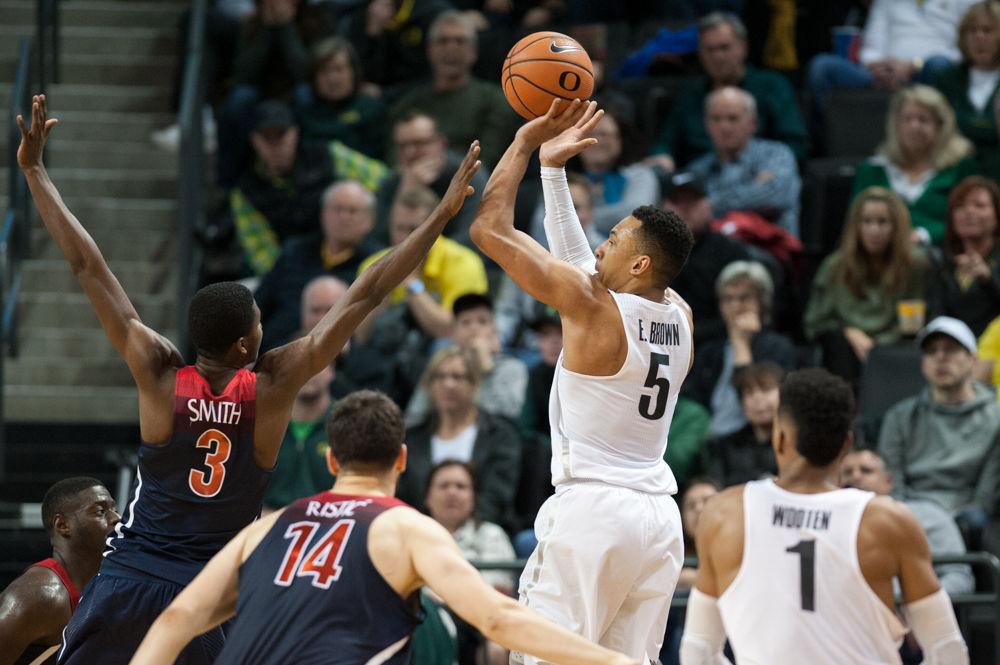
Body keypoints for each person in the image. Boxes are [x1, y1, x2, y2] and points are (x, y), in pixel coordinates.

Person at [16, 93, 482, 665]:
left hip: (131, 572)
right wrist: (439, 218)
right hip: (210, 589)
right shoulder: (274, 385)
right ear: (244, 344)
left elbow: (88, 266)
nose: (266, 326)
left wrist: (36, 172)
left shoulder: (159, 371)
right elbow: (368, 291)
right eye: (260, 321)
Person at [128, 390, 641, 665]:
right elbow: (499, 620)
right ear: (401, 458)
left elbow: (176, 620)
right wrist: (608, 662)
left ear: (331, 460)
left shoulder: (268, 526)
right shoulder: (405, 528)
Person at [470, 99, 695, 664]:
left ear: (639, 265)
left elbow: (489, 228)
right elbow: (581, 265)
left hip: (595, 511)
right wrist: (553, 173)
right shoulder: (682, 315)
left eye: (614, 240)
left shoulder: (595, 309)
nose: (600, 245)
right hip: (658, 523)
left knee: (541, 656)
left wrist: (523, 144)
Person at [681, 369, 969, 665]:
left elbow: (699, 650)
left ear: (779, 438)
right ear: (846, 444)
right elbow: (947, 649)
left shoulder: (724, 513)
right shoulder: (888, 521)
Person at [878, 315, 1000, 548]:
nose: (941, 358)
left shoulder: (996, 418)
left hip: (968, 518)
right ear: (923, 363)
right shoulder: (899, 416)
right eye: (931, 351)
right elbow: (892, 481)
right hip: (910, 511)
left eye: (951, 349)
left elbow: (986, 495)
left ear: (973, 360)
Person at [230, 102, 388, 277]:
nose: (276, 144)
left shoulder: (328, 155)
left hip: (355, 255)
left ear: (295, 133)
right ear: (254, 140)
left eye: (281, 134)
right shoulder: (245, 192)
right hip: (295, 268)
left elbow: (385, 182)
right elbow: (261, 251)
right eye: (267, 137)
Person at [648, 11, 809, 171]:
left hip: (755, 175)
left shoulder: (771, 85)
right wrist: (662, 157)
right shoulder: (690, 93)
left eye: (724, 48)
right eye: (709, 49)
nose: (717, 56)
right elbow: (666, 142)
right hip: (699, 178)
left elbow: (795, 144)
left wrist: (771, 169)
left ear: (743, 47)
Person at [804, 186, 931, 384]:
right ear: (856, 226)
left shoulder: (915, 264)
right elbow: (814, 323)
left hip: (897, 347)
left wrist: (879, 346)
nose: (874, 230)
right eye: (867, 222)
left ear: (897, 226)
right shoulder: (835, 266)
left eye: (883, 222)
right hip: (847, 353)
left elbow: (913, 324)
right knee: (837, 344)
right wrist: (849, 331)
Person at [397, 347, 522, 527]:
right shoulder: (412, 438)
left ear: (474, 384)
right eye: (440, 377)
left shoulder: (500, 436)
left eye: (458, 377)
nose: (449, 384)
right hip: (420, 531)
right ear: (429, 385)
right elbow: (405, 496)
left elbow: (497, 497)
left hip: (482, 533)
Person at [254, 179, 383, 351]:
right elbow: (259, 304)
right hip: (274, 349)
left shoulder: (376, 262)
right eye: (337, 209)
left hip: (339, 357)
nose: (344, 217)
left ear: (370, 220)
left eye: (352, 211)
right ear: (323, 215)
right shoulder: (294, 251)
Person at [0, 478, 118, 665]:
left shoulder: (104, 586)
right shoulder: (40, 595)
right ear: (63, 525)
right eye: (101, 511)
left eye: (115, 510)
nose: (116, 518)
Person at [357, 185, 489, 342]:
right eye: (399, 228)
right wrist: (382, 292)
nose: (406, 238)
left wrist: (412, 284)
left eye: (414, 229)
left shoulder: (464, 263)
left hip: (440, 354)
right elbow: (360, 337)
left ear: (435, 228)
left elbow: (453, 332)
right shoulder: (373, 266)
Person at [851, 85, 979, 244]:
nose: (914, 126)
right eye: (907, 119)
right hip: (878, 252)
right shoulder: (873, 169)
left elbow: (973, 221)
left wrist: (924, 235)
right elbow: (854, 221)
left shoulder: (961, 167)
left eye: (923, 119)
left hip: (938, 253)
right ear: (895, 124)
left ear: (940, 126)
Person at [389, 10, 516, 169]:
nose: (451, 48)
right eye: (442, 41)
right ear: (429, 50)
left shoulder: (494, 101)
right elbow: (395, 160)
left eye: (460, 41)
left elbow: (488, 161)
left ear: (474, 51)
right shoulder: (409, 103)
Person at [683, 260, 796, 438]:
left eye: (744, 298)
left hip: (754, 441)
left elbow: (758, 400)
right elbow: (692, 404)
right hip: (708, 440)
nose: (735, 306)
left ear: (762, 302)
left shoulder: (777, 348)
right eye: (728, 299)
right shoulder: (710, 352)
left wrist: (741, 343)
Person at [841, 449, 975, 598]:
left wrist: (915, 603)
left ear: (888, 481)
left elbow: (959, 577)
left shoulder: (929, 516)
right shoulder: (833, 521)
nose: (855, 476)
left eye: (866, 471)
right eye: (847, 472)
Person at [806, 0, 976, 109]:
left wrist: (913, 66)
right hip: (881, 74)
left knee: (939, 65)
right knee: (821, 66)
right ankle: (826, 141)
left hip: (927, 72)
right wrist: (881, 67)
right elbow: (870, 48)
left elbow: (965, 51)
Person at [686, 87, 802, 237]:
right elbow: (687, 214)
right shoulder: (698, 168)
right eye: (716, 119)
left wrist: (710, 204)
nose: (724, 127)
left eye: (733, 118)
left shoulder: (776, 154)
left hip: (769, 249)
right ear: (706, 125)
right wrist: (753, 188)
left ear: (753, 123)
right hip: (715, 250)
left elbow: (774, 197)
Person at [405, 293, 528, 426]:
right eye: (465, 322)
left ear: (494, 330)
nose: (474, 328)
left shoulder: (511, 368)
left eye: (482, 321)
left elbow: (506, 417)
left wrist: (486, 366)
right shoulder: (441, 366)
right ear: (453, 333)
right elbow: (415, 415)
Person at [373, 111, 490, 249]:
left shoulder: (469, 175)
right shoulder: (392, 182)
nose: (410, 152)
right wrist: (406, 191)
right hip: (405, 265)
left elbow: (473, 237)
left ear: (441, 143)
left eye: (419, 143)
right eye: (402, 146)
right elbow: (380, 241)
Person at [662, 172, 751, 344]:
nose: (685, 208)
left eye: (693, 201)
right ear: (663, 207)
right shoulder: (649, 253)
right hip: (661, 343)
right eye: (677, 202)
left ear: (708, 205)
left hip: (719, 343)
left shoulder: (731, 252)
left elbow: (743, 312)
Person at [932, 2, 1000, 181]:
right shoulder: (947, 79)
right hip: (955, 173)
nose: (979, 37)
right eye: (972, 31)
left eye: (987, 31)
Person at [927, 175, 1000, 336]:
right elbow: (936, 312)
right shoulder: (943, 260)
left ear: (997, 214)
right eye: (960, 206)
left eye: (979, 205)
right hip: (955, 351)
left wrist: (988, 280)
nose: (969, 212)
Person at [296, 37, 387, 159]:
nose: (333, 79)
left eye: (339, 69)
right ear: (314, 78)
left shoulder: (372, 110)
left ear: (353, 72)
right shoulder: (304, 116)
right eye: (324, 71)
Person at [705, 361, 784, 488]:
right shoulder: (724, 447)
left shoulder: (798, 444)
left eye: (766, 389)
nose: (757, 398)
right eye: (748, 393)